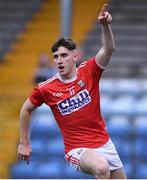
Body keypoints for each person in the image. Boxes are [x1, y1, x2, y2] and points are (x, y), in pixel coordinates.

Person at [18, 4, 127, 179]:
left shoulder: (89, 71)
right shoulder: (46, 88)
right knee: (101, 168)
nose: (59, 60)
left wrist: (105, 26)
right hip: (78, 150)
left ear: (75, 56)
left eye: (64, 55)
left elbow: (108, 49)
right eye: (55, 56)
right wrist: (24, 142)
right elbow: (25, 109)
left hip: (104, 144)